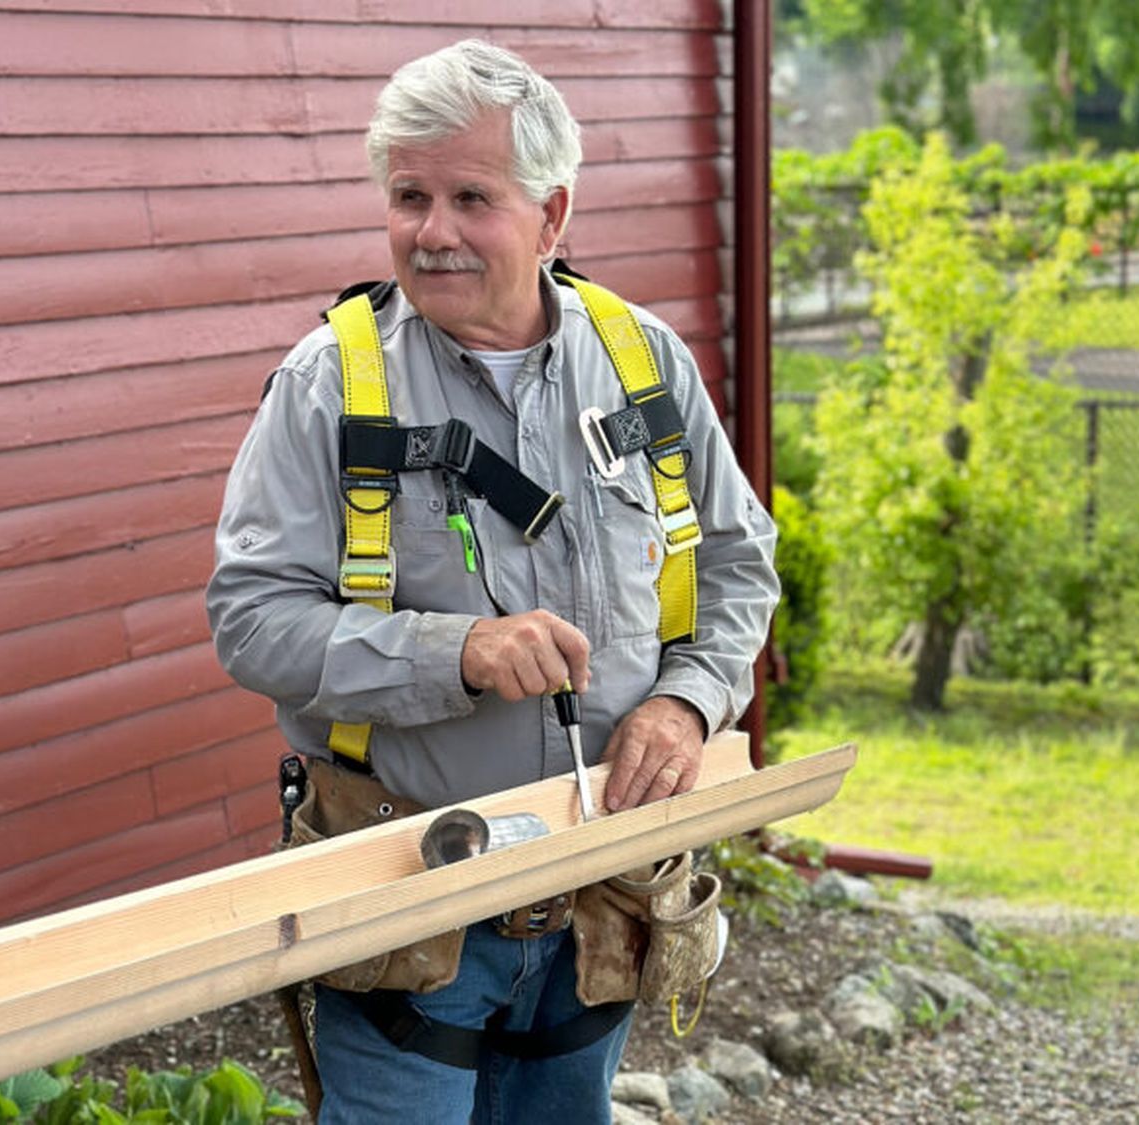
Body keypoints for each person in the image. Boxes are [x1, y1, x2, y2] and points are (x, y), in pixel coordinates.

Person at [207, 39, 779, 1123]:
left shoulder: (644, 360)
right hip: (410, 898)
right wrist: (453, 653)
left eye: (472, 197)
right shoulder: (331, 386)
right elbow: (250, 623)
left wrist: (687, 699)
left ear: (551, 216)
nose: (433, 231)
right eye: (410, 196)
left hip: (603, 889)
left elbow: (739, 560)